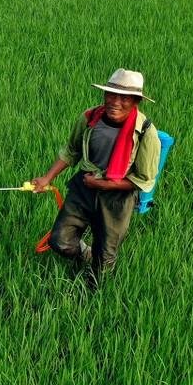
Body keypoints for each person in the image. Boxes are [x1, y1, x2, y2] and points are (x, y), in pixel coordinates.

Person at [31, 69, 160, 285]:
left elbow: (143, 179)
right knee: (59, 240)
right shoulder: (90, 117)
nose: (115, 102)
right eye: (111, 94)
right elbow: (71, 150)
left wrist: (103, 184)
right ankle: (85, 254)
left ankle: (95, 294)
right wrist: (47, 178)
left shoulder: (146, 132)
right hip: (84, 186)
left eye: (124, 98)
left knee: (105, 259)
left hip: (117, 198)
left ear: (136, 101)